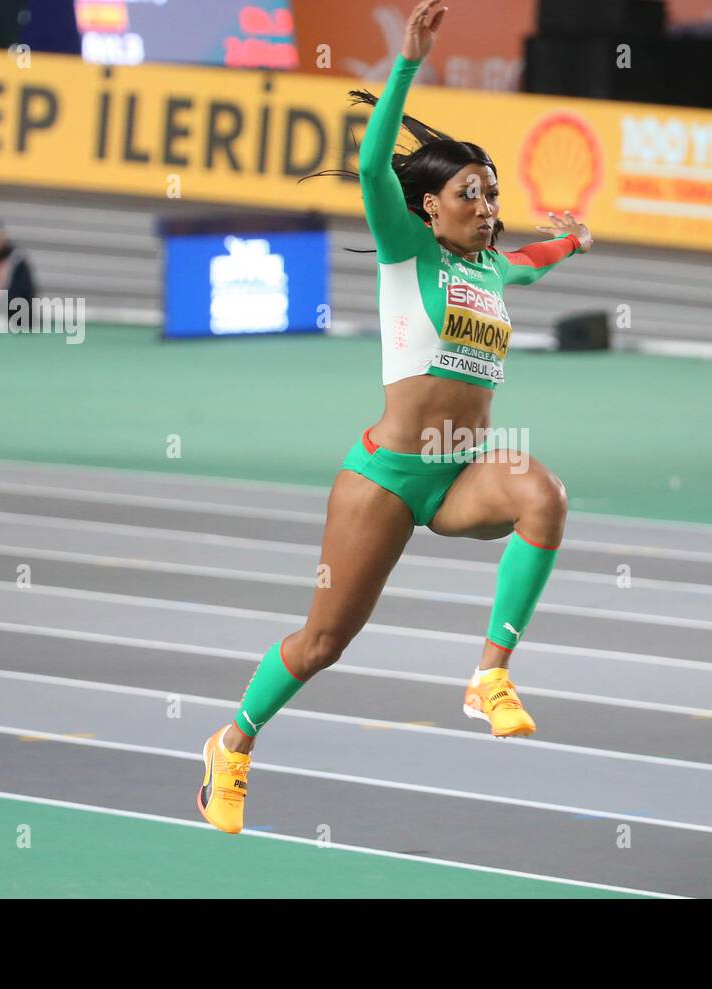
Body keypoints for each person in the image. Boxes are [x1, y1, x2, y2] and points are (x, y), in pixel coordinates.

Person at [197, 0, 592, 835]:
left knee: (545, 496)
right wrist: (407, 62)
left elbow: (532, 260)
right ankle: (232, 743)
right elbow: (375, 165)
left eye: (490, 194)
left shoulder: (491, 268)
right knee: (322, 643)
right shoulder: (404, 253)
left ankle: (490, 674)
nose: (486, 206)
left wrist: (571, 243)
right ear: (429, 209)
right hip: (386, 477)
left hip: (461, 472)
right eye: (468, 194)